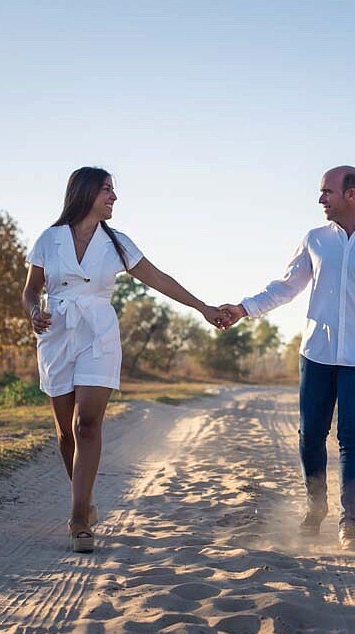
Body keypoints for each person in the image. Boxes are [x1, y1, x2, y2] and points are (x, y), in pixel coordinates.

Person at [219, 166, 355, 551]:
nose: (320, 199)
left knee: (353, 437)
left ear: (351, 194)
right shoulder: (315, 240)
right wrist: (244, 309)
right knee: (310, 438)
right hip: (317, 354)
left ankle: (349, 525)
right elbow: (286, 287)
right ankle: (316, 504)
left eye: (327, 192)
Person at [23, 166, 229, 552]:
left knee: (86, 424)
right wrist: (34, 311)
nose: (113, 197)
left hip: (98, 334)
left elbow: (160, 279)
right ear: (85, 193)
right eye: (106, 190)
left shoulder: (118, 243)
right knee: (66, 433)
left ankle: (79, 519)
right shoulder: (49, 240)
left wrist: (202, 306)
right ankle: (83, 502)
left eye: (112, 191)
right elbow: (31, 290)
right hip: (57, 335)